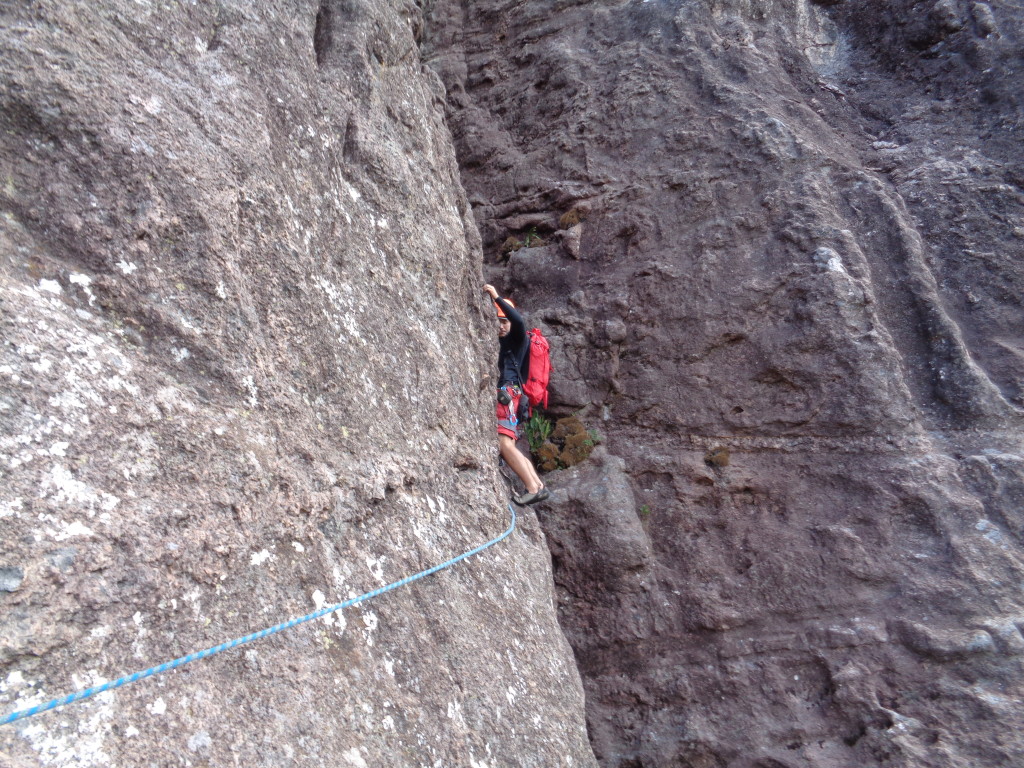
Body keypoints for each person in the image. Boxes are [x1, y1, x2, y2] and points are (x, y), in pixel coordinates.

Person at [483, 284, 550, 506]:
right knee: (510, 441)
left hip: (507, 395)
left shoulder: (518, 339)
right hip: (513, 397)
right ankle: (538, 485)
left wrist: (496, 297)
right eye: (498, 322)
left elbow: (519, 322)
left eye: (504, 322)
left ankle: (531, 488)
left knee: (504, 444)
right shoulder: (506, 343)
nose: (501, 327)